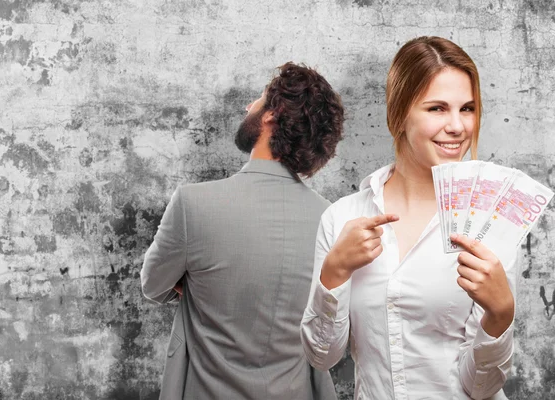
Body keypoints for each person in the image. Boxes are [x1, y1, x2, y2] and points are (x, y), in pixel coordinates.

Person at [301, 36, 516, 399]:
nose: (458, 126)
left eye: (467, 108)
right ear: (399, 114)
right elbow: (322, 356)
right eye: (437, 109)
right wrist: (334, 273)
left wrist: (500, 317)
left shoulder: (490, 225)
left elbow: (480, 388)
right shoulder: (343, 217)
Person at [141, 62, 344, 400]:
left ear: (271, 114)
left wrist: (197, 285)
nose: (249, 106)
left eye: (259, 99)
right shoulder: (330, 218)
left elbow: (153, 285)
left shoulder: (193, 204)